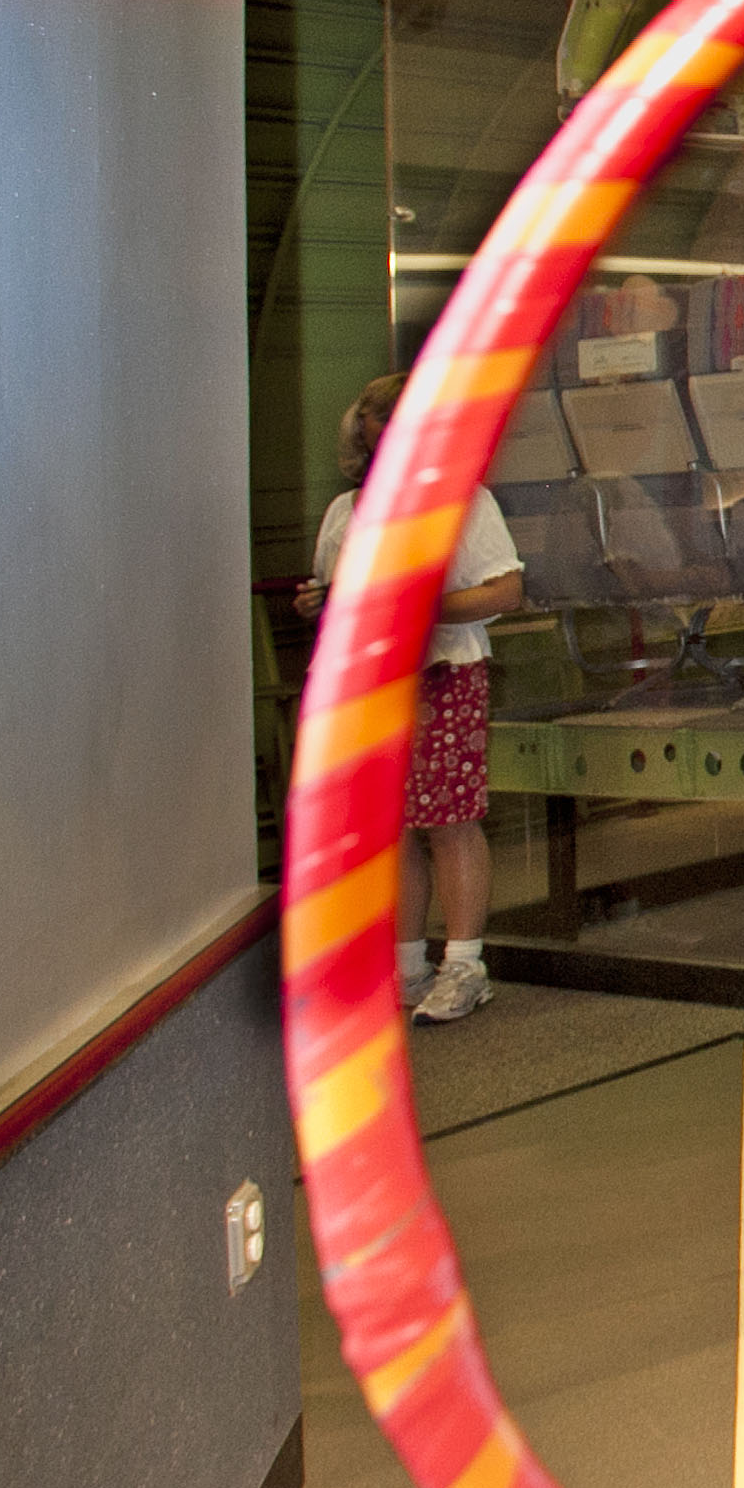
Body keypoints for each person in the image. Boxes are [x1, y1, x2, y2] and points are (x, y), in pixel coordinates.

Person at [304, 374, 525, 1026]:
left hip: (441, 674)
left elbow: (505, 589)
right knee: (391, 827)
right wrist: (322, 603)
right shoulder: (347, 512)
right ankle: (405, 967)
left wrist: (415, 606)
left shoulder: (463, 502)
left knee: (449, 820)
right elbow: (335, 592)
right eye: (379, 418)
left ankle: (465, 963)